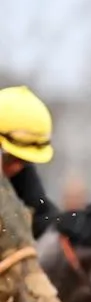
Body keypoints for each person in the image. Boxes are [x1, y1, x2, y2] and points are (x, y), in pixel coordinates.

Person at [0, 85, 60, 238]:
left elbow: (43, 217)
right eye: (11, 158)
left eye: (25, 161)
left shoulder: (21, 174)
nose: (16, 168)